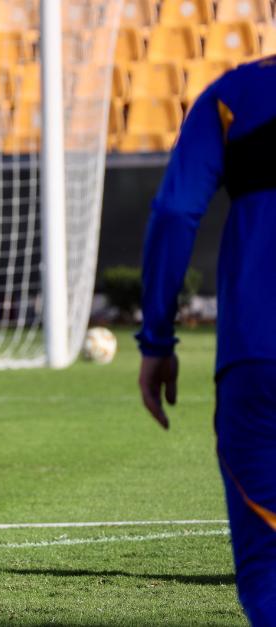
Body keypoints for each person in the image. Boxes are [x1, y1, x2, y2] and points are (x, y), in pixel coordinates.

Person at [137, 57, 276, 624]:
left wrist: (156, 342)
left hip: (259, 355)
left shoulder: (235, 93)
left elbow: (174, 213)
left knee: (269, 569)